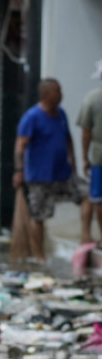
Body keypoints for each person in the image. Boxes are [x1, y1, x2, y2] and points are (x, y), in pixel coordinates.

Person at [13, 78, 92, 263]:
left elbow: (68, 137)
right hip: (40, 177)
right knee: (38, 216)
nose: (61, 94)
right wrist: (19, 171)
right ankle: (39, 256)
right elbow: (20, 145)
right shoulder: (32, 117)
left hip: (62, 174)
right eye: (58, 90)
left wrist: (73, 159)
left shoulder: (61, 114)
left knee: (88, 195)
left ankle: (86, 235)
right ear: (48, 94)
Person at [76, 60, 102, 244]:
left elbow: (86, 131)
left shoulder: (92, 99)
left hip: (99, 155)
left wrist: (85, 158)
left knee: (99, 198)